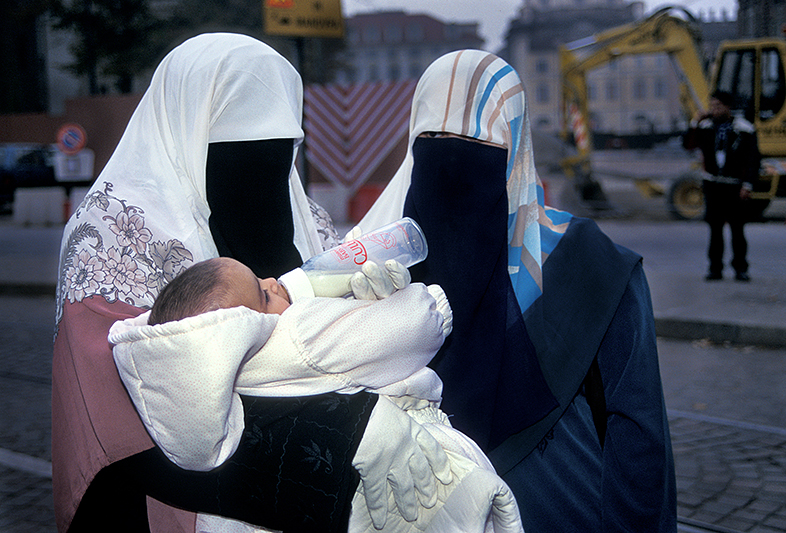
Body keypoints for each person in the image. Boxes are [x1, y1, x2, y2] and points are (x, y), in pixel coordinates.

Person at [53, 33, 451, 533]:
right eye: (235, 152)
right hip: (166, 507)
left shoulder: (308, 221)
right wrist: (345, 437)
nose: (257, 173)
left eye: (275, 152)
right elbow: (123, 419)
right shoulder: (110, 234)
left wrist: (371, 312)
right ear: (189, 133)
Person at [360, 49, 677, 532]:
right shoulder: (376, 272)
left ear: (513, 146)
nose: (452, 158)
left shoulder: (595, 267)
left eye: (474, 142)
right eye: (434, 139)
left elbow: (637, 436)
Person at [108, 255, 524, 533]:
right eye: (263, 293)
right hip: (420, 458)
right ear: (240, 330)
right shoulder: (295, 333)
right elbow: (417, 328)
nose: (274, 282)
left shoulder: (222, 378)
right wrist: (407, 299)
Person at [683, 90, 761, 282]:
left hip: (734, 185)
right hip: (713, 184)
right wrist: (695, 122)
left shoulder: (744, 129)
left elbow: (753, 160)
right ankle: (715, 268)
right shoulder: (706, 127)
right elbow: (688, 145)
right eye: (712, 106)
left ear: (728, 107)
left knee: (737, 229)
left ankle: (740, 268)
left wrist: (748, 185)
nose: (714, 110)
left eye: (718, 106)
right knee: (715, 229)